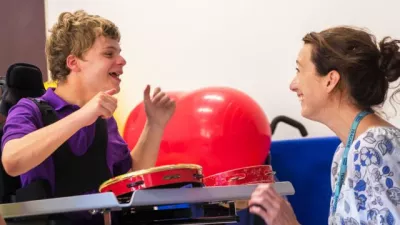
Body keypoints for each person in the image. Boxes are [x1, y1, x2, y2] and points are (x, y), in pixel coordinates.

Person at [0, 10, 175, 224]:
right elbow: (12, 161)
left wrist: (154, 125)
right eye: (109, 54)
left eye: (119, 53)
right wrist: (83, 115)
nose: (122, 60)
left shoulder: (104, 121)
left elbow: (131, 177)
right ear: (73, 62)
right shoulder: (29, 110)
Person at [248, 26, 400, 225]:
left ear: (330, 80)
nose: (293, 85)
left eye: (299, 70)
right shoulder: (344, 152)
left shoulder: (372, 148)